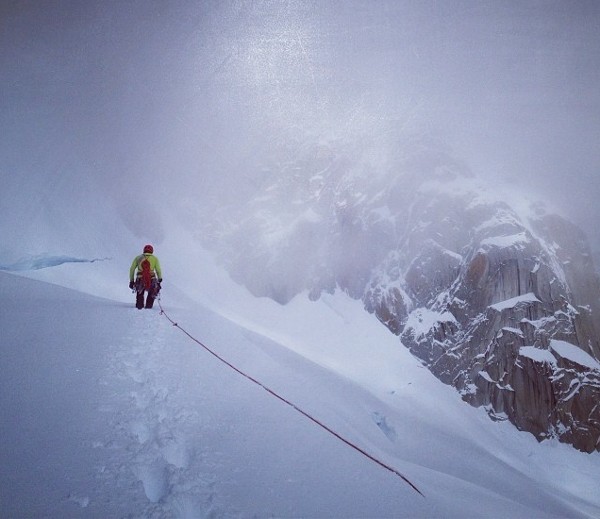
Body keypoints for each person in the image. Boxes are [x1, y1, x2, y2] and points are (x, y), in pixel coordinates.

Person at [129, 244, 162, 309]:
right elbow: (158, 270)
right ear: (152, 251)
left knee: (140, 293)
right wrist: (159, 279)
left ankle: (139, 306)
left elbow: (132, 269)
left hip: (140, 278)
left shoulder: (138, 258)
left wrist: (131, 281)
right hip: (151, 279)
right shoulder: (154, 259)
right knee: (152, 293)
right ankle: (148, 307)